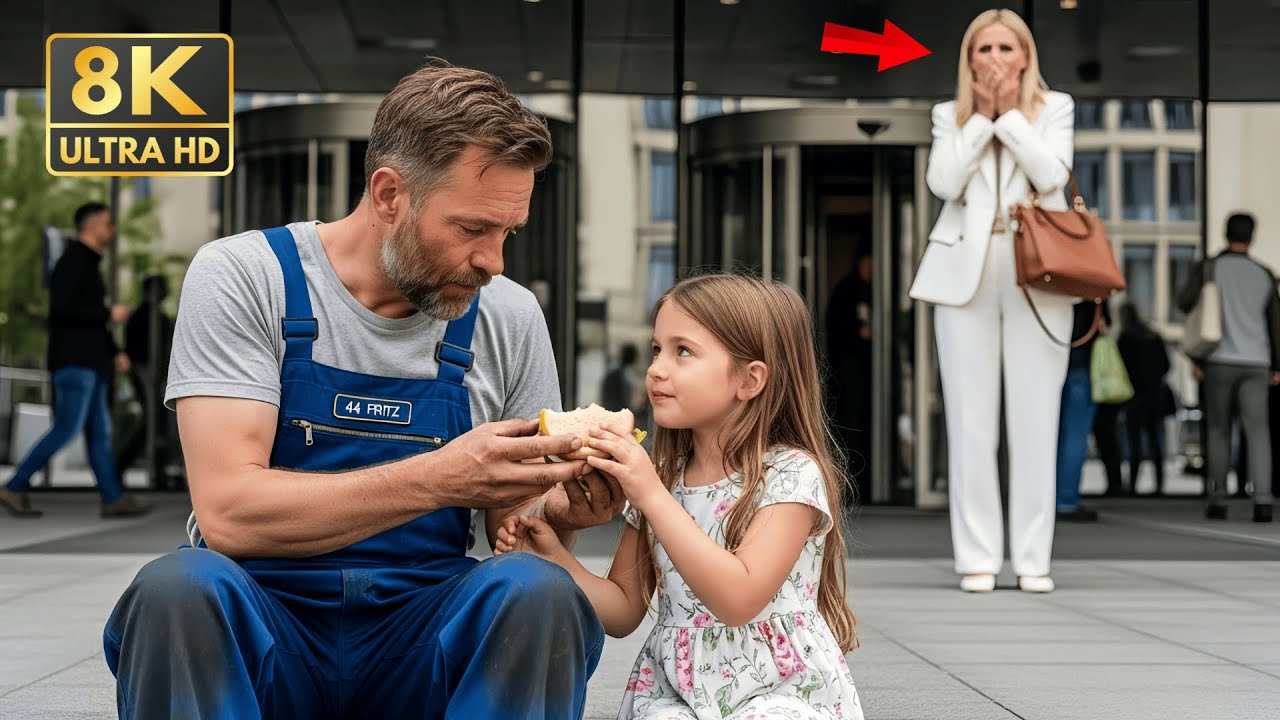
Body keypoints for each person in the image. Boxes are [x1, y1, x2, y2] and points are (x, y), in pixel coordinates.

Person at [102, 63, 621, 719]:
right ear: (387, 195)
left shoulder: (509, 316)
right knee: (177, 589)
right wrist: (442, 476)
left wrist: (561, 516)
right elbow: (229, 512)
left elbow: (512, 537)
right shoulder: (245, 275)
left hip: (422, 636)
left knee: (539, 592)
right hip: (265, 628)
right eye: (471, 229)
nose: (495, 261)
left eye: (507, 232)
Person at [496, 274, 864, 720]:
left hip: (782, 689)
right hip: (679, 692)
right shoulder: (666, 478)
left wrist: (650, 495)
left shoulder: (790, 475)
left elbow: (739, 598)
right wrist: (557, 559)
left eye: (683, 351)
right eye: (656, 350)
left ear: (750, 380)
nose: (656, 369)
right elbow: (624, 610)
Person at [908, 8, 1076, 593]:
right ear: (969, 59)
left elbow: (1051, 174)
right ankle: (977, 555)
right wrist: (980, 121)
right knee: (971, 422)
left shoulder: (1055, 108)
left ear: (1026, 56)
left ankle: (1033, 559)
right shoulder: (948, 115)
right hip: (964, 275)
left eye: (1007, 49)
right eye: (984, 50)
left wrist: (1009, 118)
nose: (996, 60)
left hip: (1040, 276)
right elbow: (943, 183)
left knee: (1037, 420)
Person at [0, 203, 151, 519]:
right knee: (67, 429)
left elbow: (91, 320)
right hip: (75, 363)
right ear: (93, 226)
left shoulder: (86, 264)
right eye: (108, 224)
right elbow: (63, 314)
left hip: (90, 363)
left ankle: (113, 498)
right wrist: (108, 314)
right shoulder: (73, 263)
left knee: (99, 433)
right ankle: (14, 485)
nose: (112, 231)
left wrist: (113, 351)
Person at [1177, 212, 1280, 522]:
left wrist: (1196, 360)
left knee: (1219, 430)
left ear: (1225, 233)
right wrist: (1277, 365)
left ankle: (1218, 498)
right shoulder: (1265, 274)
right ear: (1252, 236)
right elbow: (1276, 324)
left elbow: (1186, 305)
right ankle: (1262, 500)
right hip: (1257, 362)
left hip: (1219, 360)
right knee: (1259, 432)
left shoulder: (1209, 268)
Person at [114, 274, 177, 486]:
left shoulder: (156, 317)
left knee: (155, 423)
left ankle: (155, 471)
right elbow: (135, 353)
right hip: (145, 376)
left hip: (155, 377)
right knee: (152, 422)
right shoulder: (143, 317)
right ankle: (123, 467)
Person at [1056, 299, 1111, 522]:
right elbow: (1104, 323)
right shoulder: (1090, 286)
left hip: (1050, 360)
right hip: (1081, 364)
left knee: (1048, 433)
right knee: (1075, 435)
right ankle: (1066, 500)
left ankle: (1040, 497)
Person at [826, 248, 874, 503]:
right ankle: (853, 485)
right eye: (868, 263)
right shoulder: (846, 292)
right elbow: (837, 331)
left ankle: (866, 484)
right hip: (849, 372)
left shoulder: (878, 290)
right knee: (850, 425)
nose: (871, 270)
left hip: (868, 375)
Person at [1116, 302, 1174, 496]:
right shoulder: (1153, 336)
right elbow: (1167, 366)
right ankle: (1160, 484)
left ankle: (1132, 484)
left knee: (1134, 444)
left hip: (1134, 396)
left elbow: (1120, 369)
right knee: (1156, 441)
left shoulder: (1126, 338)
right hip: (1155, 396)